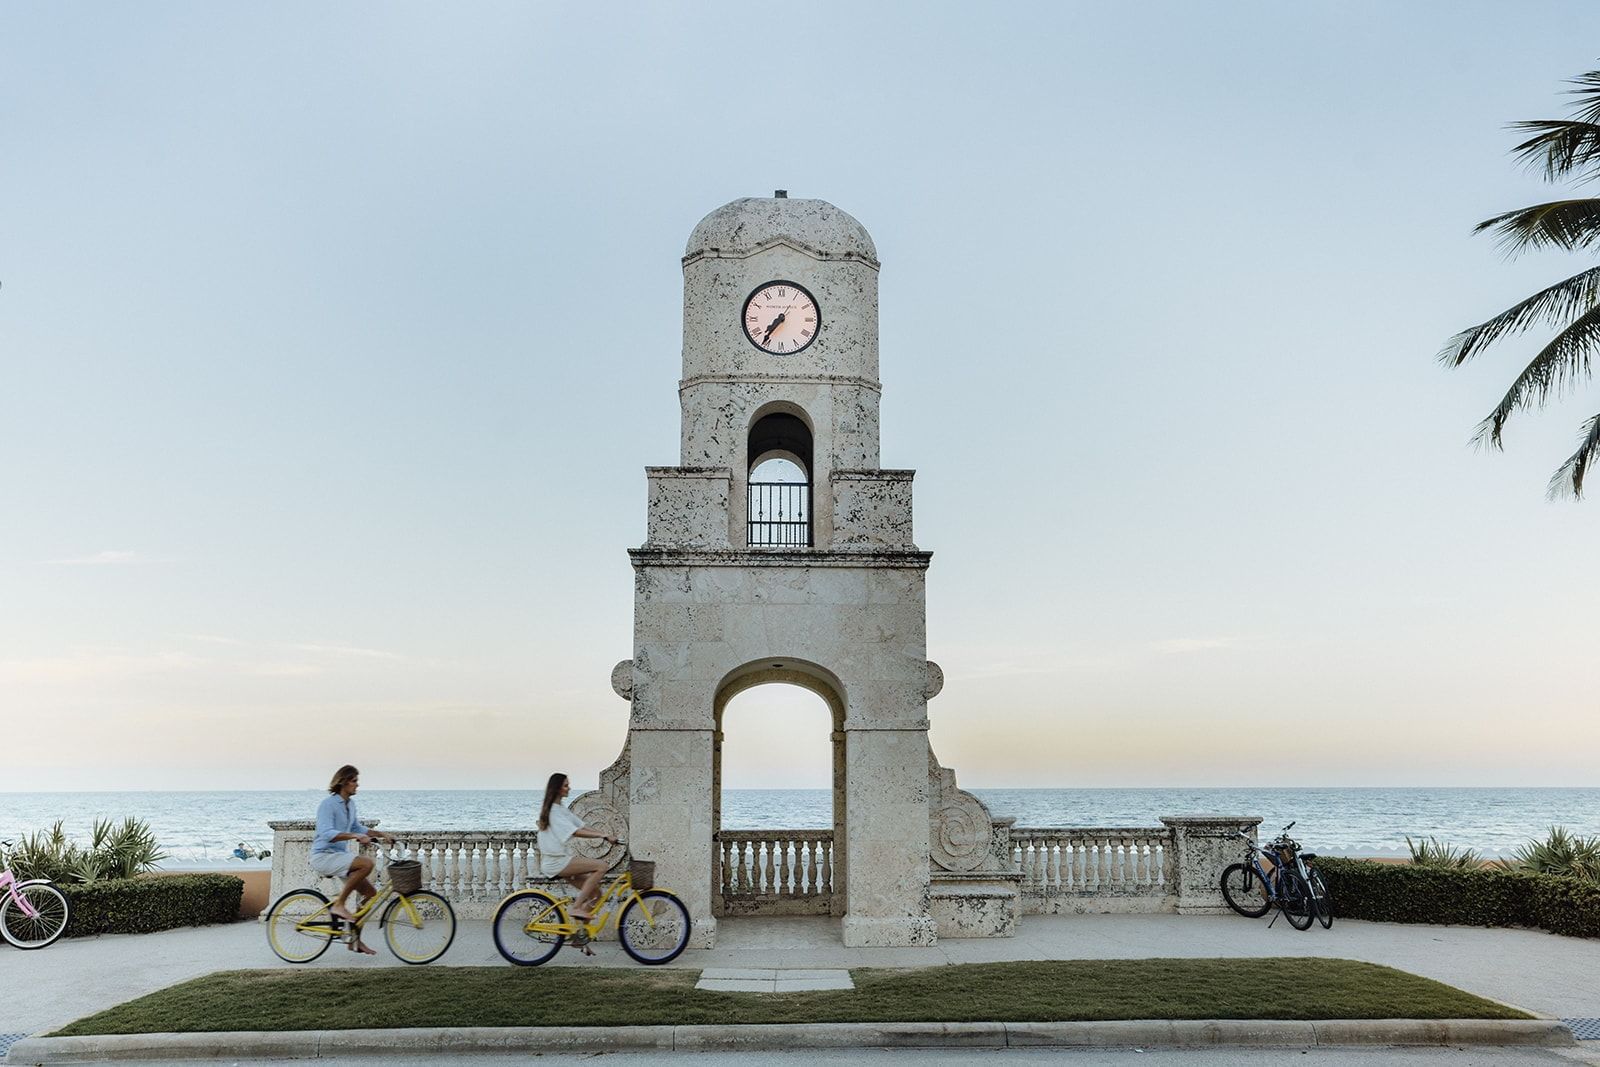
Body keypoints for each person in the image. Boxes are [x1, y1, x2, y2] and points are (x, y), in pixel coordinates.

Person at [311, 765, 394, 955]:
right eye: (354, 780)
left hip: (338, 857)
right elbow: (326, 833)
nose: (358, 784)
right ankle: (339, 904)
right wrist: (354, 837)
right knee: (366, 863)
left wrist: (381, 834)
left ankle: (354, 941)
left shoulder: (350, 805)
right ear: (344, 782)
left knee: (370, 894)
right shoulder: (328, 804)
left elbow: (358, 827)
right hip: (324, 855)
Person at [537, 772, 619, 929]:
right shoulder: (554, 812)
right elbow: (575, 832)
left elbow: (581, 826)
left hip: (559, 860)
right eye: (566, 785)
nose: (569, 788)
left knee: (596, 894)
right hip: (557, 862)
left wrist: (606, 835)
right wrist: (602, 835)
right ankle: (576, 907)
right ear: (557, 789)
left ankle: (580, 935)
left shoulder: (561, 809)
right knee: (601, 866)